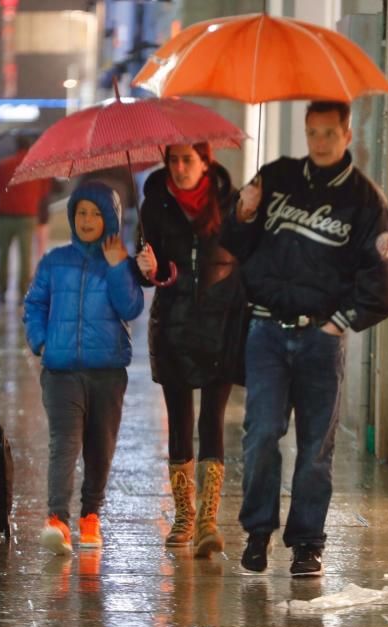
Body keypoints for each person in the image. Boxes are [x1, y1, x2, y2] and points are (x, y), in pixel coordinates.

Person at [221, 101, 388, 577]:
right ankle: (258, 533)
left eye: (328, 133)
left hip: (321, 338)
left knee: (316, 446)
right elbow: (234, 243)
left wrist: (338, 322)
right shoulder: (276, 177)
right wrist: (242, 211)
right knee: (260, 434)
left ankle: (307, 543)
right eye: (312, 132)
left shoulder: (365, 201)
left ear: (347, 134)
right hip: (265, 332)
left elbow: (382, 283)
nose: (319, 142)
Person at [24, 181, 150, 555]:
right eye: (81, 212)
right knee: (64, 442)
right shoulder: (54, 261)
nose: (88, 220)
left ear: (109, 218)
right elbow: (34, 304)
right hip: (61, 371)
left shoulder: (121, 263)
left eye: (96, 213)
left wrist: (117, 268)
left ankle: (90, 515)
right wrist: (42, 341)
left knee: (100, 446)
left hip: (107, 372)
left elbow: (131, 308)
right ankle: (57, 519)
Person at [137, 143, 245, 557]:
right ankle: (184, 516)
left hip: (221, 325)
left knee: (212, 420)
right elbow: (151, 273)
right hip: (174, 327)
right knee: (180, 421)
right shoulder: (154, 206)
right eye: (173, 160)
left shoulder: (231, 204)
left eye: (188, 160)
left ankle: (207, 521)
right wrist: (145, 269)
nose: (180, 168)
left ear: (206, 162)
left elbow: (247, 259)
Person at [0, 139, 52, 303]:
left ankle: (2, 291)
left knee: (3, 255)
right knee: (25, 256)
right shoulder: (37, 167)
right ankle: (23, 292)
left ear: (16, 148)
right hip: (27, 217)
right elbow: (44, 192)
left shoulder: (4, 166)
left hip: (4, 216)